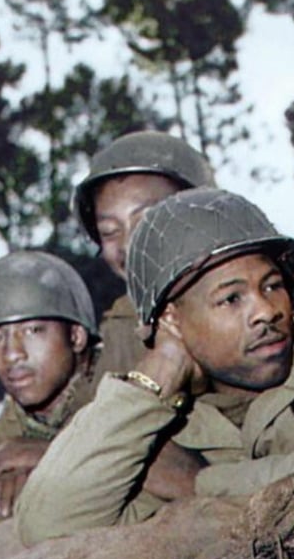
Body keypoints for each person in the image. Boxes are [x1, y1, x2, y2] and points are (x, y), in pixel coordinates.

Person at [17, 189, 294, 545]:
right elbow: (48, 524)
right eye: (231, 299)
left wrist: (199, 486)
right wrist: (160, 370)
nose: (266, 312)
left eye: (271, 286)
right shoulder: (169, 426)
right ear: (172, 321)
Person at [0, 251, 99, 520]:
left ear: (76, 336)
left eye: (32, 331)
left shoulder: (128, 381)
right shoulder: (9, 429)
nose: (11, 353)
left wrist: (54, 455)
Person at [71, 130, 217, 381]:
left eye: (147, 220)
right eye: (109, 231)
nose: (129, 245)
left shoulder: (262, 296)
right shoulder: (120, 332)